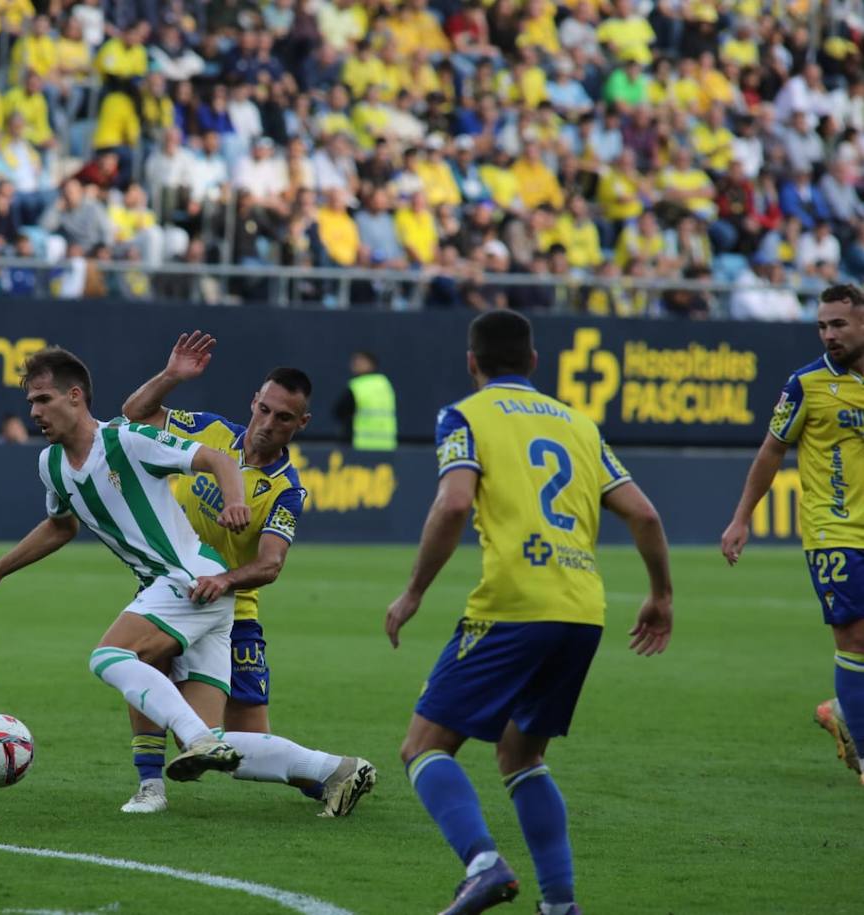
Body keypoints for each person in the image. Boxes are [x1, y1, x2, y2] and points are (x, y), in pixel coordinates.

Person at [0, 348, 374, 810]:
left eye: (42, 400)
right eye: (30, 403)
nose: (33, 412)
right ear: (253, 402)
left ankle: (163, 774)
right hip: (192, 589)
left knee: (111, 657)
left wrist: (234, 501)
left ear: (74, 396)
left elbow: (220, 462)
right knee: (219, 739)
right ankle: (336, 770)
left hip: (195, 580)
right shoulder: (51, 465)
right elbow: (61, 526)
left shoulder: (129, 441)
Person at [384, 310, 673, 915]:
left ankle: (484, 865)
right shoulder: (579, 425)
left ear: (472, 363)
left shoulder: (464, 415)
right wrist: (660, 595)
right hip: (583, 610)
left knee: (423, 747)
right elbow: (645, 513)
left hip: (514, 604)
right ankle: (560, 905)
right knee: (521, 755)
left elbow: (454, 501)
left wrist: (413, 591)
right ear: (534, 362)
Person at [117, 330, 376, 815]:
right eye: (264, 409)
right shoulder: (211, 433)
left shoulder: (285, 490)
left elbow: (271, 563)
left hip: (231, 614)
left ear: (302, 423)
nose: (267, 423)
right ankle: (150, 786)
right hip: (173, 593)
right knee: (138, 662)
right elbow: (133, 416)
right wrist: (172, 375)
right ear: (253, 401)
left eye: (283, 417)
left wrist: (224, 580)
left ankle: (335, 774)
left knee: (235, 747)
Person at [720, 283, 864, 788]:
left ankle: (846, 711)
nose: (829, 335)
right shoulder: (805, 384)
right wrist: (742, 518)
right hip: (834, 529)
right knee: (854, 635)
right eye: (823, 326)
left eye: (839, 324)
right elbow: (771, 451)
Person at [333, 350, 397, 451]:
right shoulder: (385, 383)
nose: (355, 365)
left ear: (371, 364)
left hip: (360, 446)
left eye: (360, 361)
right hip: (387, 446)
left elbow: (339, 411)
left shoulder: (357, 386)